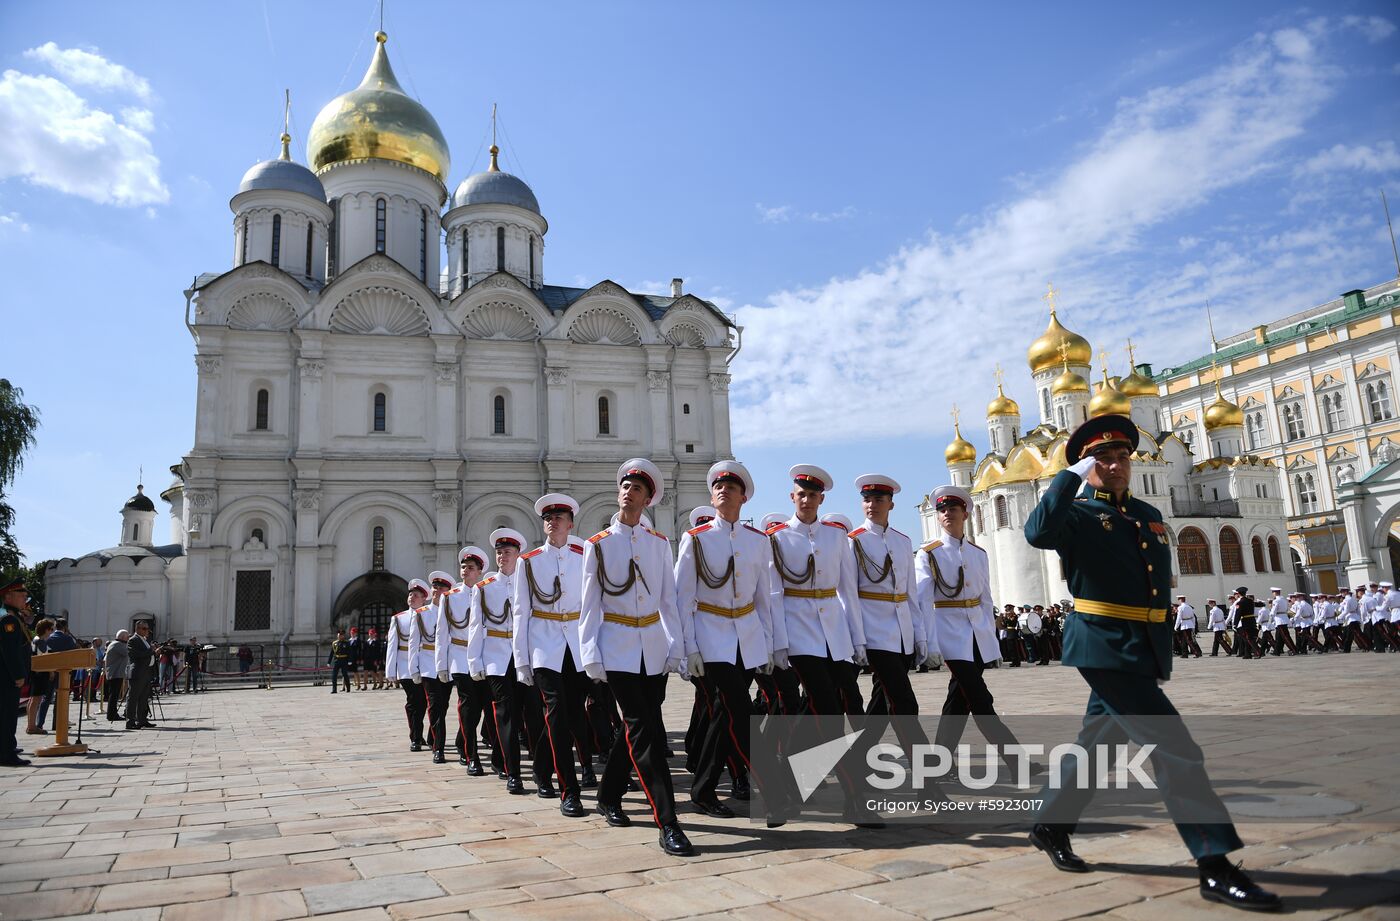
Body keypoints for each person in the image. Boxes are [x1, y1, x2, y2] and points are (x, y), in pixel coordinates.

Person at [1024, 415, 1279, 910]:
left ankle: (1050, 823)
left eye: (1122, 457)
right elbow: (1038, 532)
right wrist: (1067, 477)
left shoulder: (1146, 514)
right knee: (1175, 749)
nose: (1117, 465)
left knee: (1096, 745)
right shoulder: (1074, 513)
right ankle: (1214, 864)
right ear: (1087, 465)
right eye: (1104, 458)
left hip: (1142, 645)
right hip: (1101, 642)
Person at [580, 458, 692, 856]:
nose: (629, 492)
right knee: (646, 731)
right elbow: (590, 604)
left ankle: (609, 796)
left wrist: (676, 646)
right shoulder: (597, 545)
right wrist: (590, 653)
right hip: (618, 648)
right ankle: (669, 821)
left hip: (654, 649)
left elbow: (668, 600)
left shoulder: (659, 544)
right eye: (625, 486)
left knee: (634, 731)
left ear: (648, 499)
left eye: (637, 489)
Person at [917, 484, 1042, 783]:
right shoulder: (928, 554)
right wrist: (929, 643)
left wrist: (991, 642)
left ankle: (938, 763)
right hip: (949, 635)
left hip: (975, 636)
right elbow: (922, 601)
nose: (947, 514)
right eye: (943, 510)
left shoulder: (977, 553)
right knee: (980, 699)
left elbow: (986, 599)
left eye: (953, 509)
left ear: (965, 514)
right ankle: (1016, 762)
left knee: (958, 701)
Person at [676, 460, 777, 822]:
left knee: (723, 714)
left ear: (743, 497)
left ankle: (703, 791)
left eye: (731, 488)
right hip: (712, 635)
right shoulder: (695, 539)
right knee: (739, 708)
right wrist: (688, 647)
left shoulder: (758, 541)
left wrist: (768, 643)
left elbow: (764, 597)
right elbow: (682, 597)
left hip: (746, 638)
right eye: (718, 487)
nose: (722, 491)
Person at [767, 465, 869, 808]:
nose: (807, 500)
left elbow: (847, 592)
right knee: (826, 709)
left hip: (834, 632)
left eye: (813, 495)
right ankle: (855, 795)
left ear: (821, 499)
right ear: (792, 497)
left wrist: (857, 640)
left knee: (822, 709)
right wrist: (778, 643)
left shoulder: (836, 537)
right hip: (799, 633)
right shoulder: (777, 538)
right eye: (801, 495)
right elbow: (773, 595)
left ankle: (785, 777)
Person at [513, 494, 592, 817]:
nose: (553, 521)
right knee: (557, 713)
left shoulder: (585, 555)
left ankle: (542, 767)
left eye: (559, 517)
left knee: (571, 715)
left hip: (577, 645)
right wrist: (521, 660)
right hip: (545, 646)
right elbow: (521, 612)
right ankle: (569, 791)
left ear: (570, 523)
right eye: (548, 517)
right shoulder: (528, 561)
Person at [470, 529, 554, 796]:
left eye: (507, 552)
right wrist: (475, 661)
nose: (502, 556)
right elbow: (475, 626)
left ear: (518, 555)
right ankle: (513, 774)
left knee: (535, 717)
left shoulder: (527, 581)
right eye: (499, 552)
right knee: (506, 717)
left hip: (526, 657)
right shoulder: (484, 587)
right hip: (496, 659)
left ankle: (543, 773)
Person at [387, 581, 429, 751]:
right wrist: (391, 671)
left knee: (424, 702)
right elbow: (392, 645)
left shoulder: (429, 615)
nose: (412, 597)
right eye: (410, 594)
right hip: (405, 665)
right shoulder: (399, 618)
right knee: (414, 701)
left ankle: (420, 733)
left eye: (416, 595)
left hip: (424, 663)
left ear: (424, 599)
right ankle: (415, 736)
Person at [1, 578, 34, 766]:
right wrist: (18, 674)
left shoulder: (13, 616)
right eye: (21, 595)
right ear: (8, 596)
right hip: (7, 676)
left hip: (7, 675)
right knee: (6, 714)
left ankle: (7, 746)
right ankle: (6, 753)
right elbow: (10, 650)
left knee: (7, 713)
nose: (25, 599)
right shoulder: (8, 619)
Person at [126, 621, 157, 729]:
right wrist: (151, 651)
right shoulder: (133, 640)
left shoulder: (144, 640)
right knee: (133, 697)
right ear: (137, 629)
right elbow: (136, 655)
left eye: (148, 629)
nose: (147, 631)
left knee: (144, 698)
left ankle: (142, 720)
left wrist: (153, 651)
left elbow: (148, 654)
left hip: (146, 672)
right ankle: (130, 721)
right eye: (144, 629)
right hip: (138, 672)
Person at [27, 618, 54, 735]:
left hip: (35, 673)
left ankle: (30, 725)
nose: (52, 631)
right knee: (35, 700)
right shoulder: (40, 641)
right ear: (46, 629)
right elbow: (45, 659)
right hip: (39, 673)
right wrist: (51, 671)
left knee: (33, 700)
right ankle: (32, 727)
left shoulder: (36, 639)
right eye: (51, 629)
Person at [103, 630, 130, 721]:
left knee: (114, 695)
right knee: (114, 695)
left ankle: (112, 714)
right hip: (115, 673)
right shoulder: (118, 644)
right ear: (122, 637)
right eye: (127, 637)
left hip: (115, 673)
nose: (128, 639)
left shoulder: (117, 644)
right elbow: (128, 653)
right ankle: (111, 715)